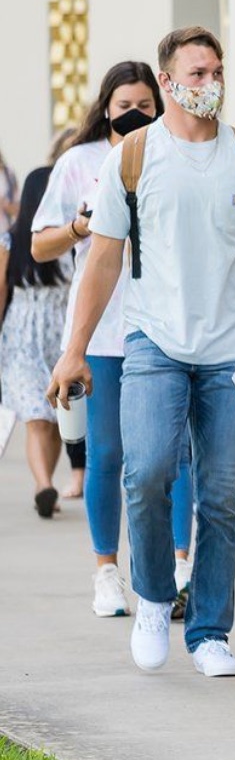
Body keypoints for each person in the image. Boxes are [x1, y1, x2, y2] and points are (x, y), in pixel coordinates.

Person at [47, 26, 235, 677]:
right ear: (166, 83)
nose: (208, 83)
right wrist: (74, 350)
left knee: (218, 494)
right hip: (154, 343)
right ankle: (155, 597)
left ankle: (209, 630)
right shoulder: (131, 157)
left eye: (216, 71)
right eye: (196, 73)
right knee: (146, 471)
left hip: (233, 352)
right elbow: (101, 262)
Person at [31, 60, 198, 619]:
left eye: (144, 105)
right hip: (101, 328)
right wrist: (80, 227)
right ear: (105, 106)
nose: (133, 114)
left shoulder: (174, 151)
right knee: (107, 453)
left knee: (175, 455)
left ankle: (179, 568)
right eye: (123, 104)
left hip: (168, 324)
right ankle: (107, 570)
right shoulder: (78, 163)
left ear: (160, 104)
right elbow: (39, 246)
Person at [0, 132, 76, 518]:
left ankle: (44, 483)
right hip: (44, 337)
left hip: (37, 337)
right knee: (43, 417)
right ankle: (45, 485)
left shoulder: (58, 242)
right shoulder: (22, 243)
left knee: (43, 418)